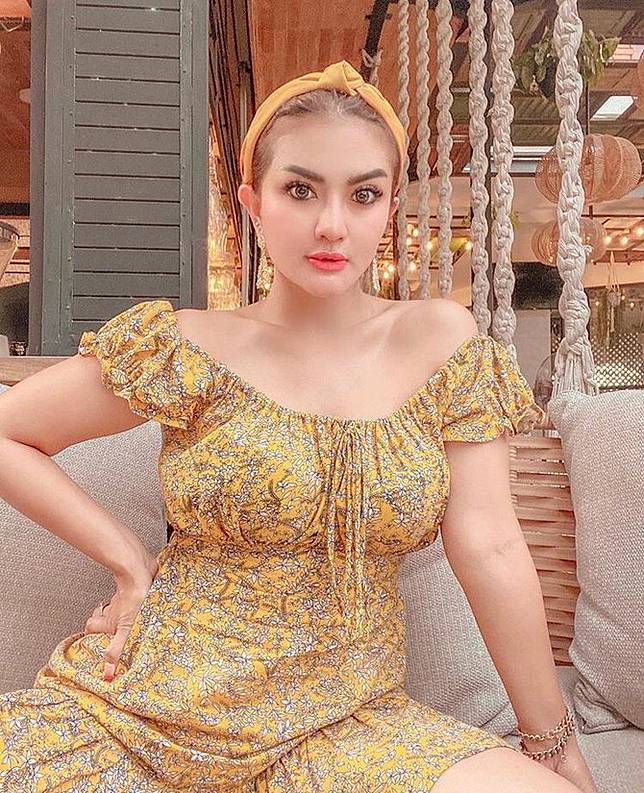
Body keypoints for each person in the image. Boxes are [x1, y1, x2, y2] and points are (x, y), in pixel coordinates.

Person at [0, 60, 596, 792]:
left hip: (345, 723)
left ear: (389, 208)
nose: (331, 225)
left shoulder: (443, 342)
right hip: (146, 707)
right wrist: (126, 557)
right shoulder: (186, 347)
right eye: (300, 189)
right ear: (254, 204)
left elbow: (492, 545)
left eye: (364, 194)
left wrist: (550, 740)